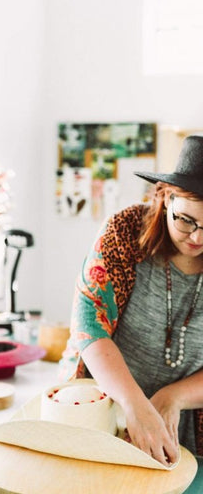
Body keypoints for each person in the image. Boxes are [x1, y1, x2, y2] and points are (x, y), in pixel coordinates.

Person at [59, 134, 203, 466]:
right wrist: (134, 404)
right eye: (186, 220)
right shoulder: (123, 231)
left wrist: (174, 397)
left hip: (184, 424)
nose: (197, 237)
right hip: (101, 403)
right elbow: (88, 326)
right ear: (165, 197)